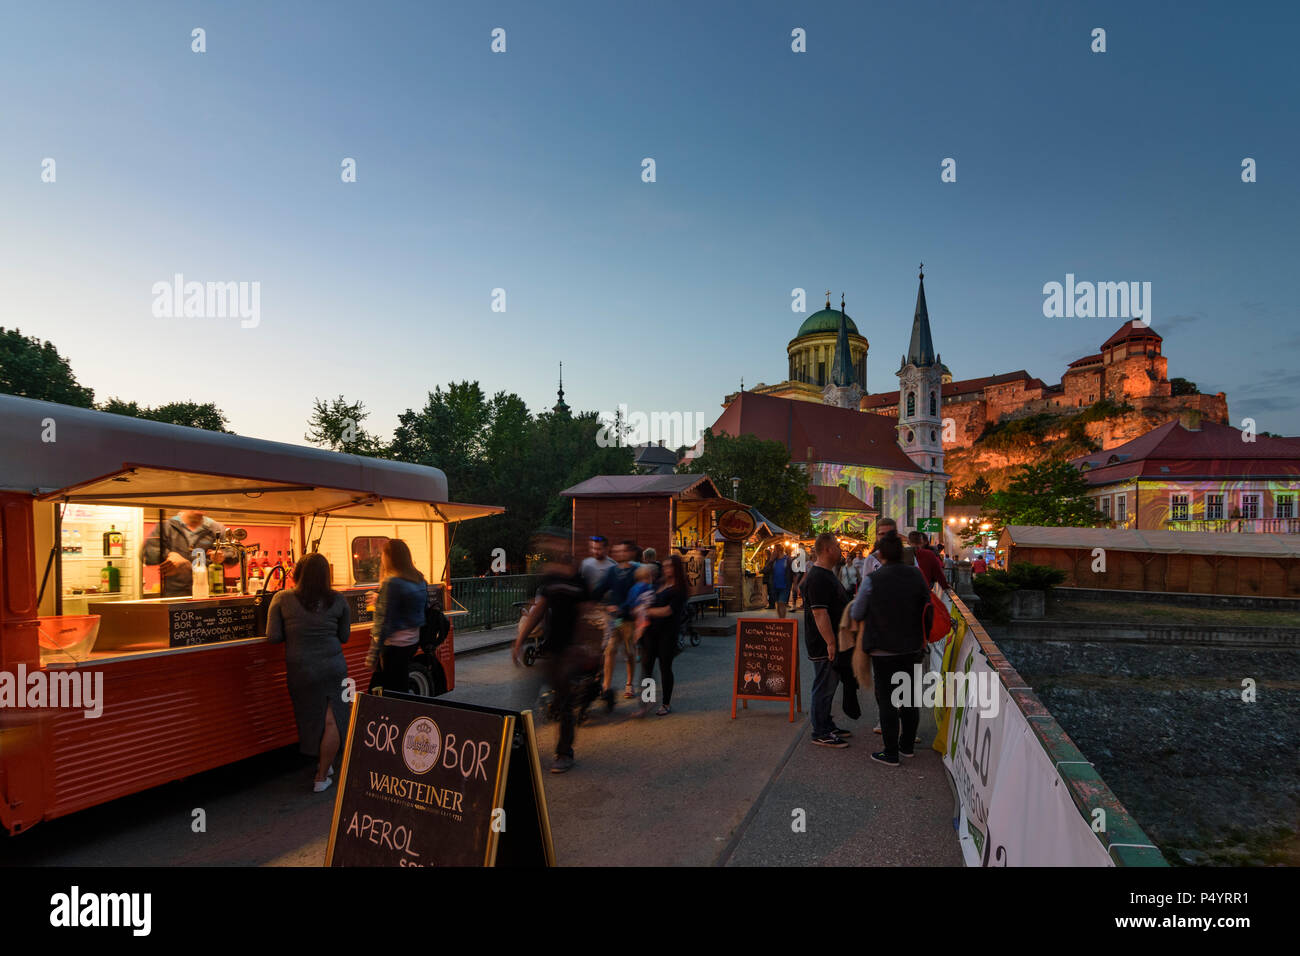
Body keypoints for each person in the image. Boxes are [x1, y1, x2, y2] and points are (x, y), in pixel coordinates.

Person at [266, 552, 351, 793]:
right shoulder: (338, 600)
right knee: (332, 719)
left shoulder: (282, 599)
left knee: (312, 719)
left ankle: (323, 767)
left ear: (297, 573)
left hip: (300, 669)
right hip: (333, 667)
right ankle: (322, 776)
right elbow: (344, 637)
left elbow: (273, 637)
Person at [850, 534, 931, 766]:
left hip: (882, 649)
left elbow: (857, 612)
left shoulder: (873, 579)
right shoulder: (916, 575)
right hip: (912, 647)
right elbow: (927, 606)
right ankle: (906, 747)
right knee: (909, 697)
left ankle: (890, 752)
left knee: (887, 700)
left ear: (880, 555)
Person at [514, 549, 588, 772]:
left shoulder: (579, 584)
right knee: (528, 696)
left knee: (564, 702)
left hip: (569, 651)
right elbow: (538, 611)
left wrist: (583, 647)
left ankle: (564, 753)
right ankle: (519, 743)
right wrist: (519, 641)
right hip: (550, 650)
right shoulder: (552, 582)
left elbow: (586, 617)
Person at [802, 532, 851, 747]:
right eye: (838, 547)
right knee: (824, 685)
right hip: (823, 643)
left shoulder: (825, 574)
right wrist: (831, 642)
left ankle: (826, 723)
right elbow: (819, 613)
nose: (841, 551)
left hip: (831, 641)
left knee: (829, 685)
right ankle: (820, 730)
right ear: (828, 549)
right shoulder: (819, 577)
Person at [365, 539, 428, 695]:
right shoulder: (419, 579)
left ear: (388, 557)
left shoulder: (391, 582)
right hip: (412, 642)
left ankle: (398, 717)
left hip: (393, 645)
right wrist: (381, 599)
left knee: (391, 691)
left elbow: (384, 622)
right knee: (401, 684)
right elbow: (419, 608)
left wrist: (373, 654)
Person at [140, 510, 238, 596]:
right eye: (195, 501)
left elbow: (234, 554)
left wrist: (223, 555)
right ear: (184, 504)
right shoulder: (167, 527)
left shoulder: (216, 528)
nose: (199, 507)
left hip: (210, 593)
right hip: (177, 595)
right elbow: (147, 553)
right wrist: (169, 555)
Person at [636, 553, 686, 716]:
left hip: (668, 634)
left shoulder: (679, 589)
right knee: (647, 668)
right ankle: (646, 703)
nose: (666, 569)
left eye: (669, 566)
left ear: (676, 569)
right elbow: (646, 599)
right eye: (664, 566)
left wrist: (647, 611)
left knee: (665, 668)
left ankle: (665, 703)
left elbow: (667, 611)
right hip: (651, 633)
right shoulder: (658, 584)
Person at [596, 540, 641, 705]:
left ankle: (629, 684)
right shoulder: (611, 571)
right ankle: (606, 686)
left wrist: (623, 607)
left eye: (623, 551)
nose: (619, 554)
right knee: (610, 649)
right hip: (615, 619)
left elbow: (639, 594)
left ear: (630, 553)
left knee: (629, 652)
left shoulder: (637, 572)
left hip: (629, 619)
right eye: (617, 551)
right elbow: (599, 589)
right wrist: (601, 603)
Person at [771, 548, 792, 618]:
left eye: (774, 551)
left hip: (785, 585)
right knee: (778, 603)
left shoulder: (788, 559)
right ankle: (780, 620)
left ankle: (783, 620)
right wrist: (771, 560)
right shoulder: (774, 560)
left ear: (779, 551)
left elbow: (793, 572)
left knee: (782, 603)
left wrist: (795, 584)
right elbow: (765, 570)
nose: (773, 552)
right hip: (775, 585)